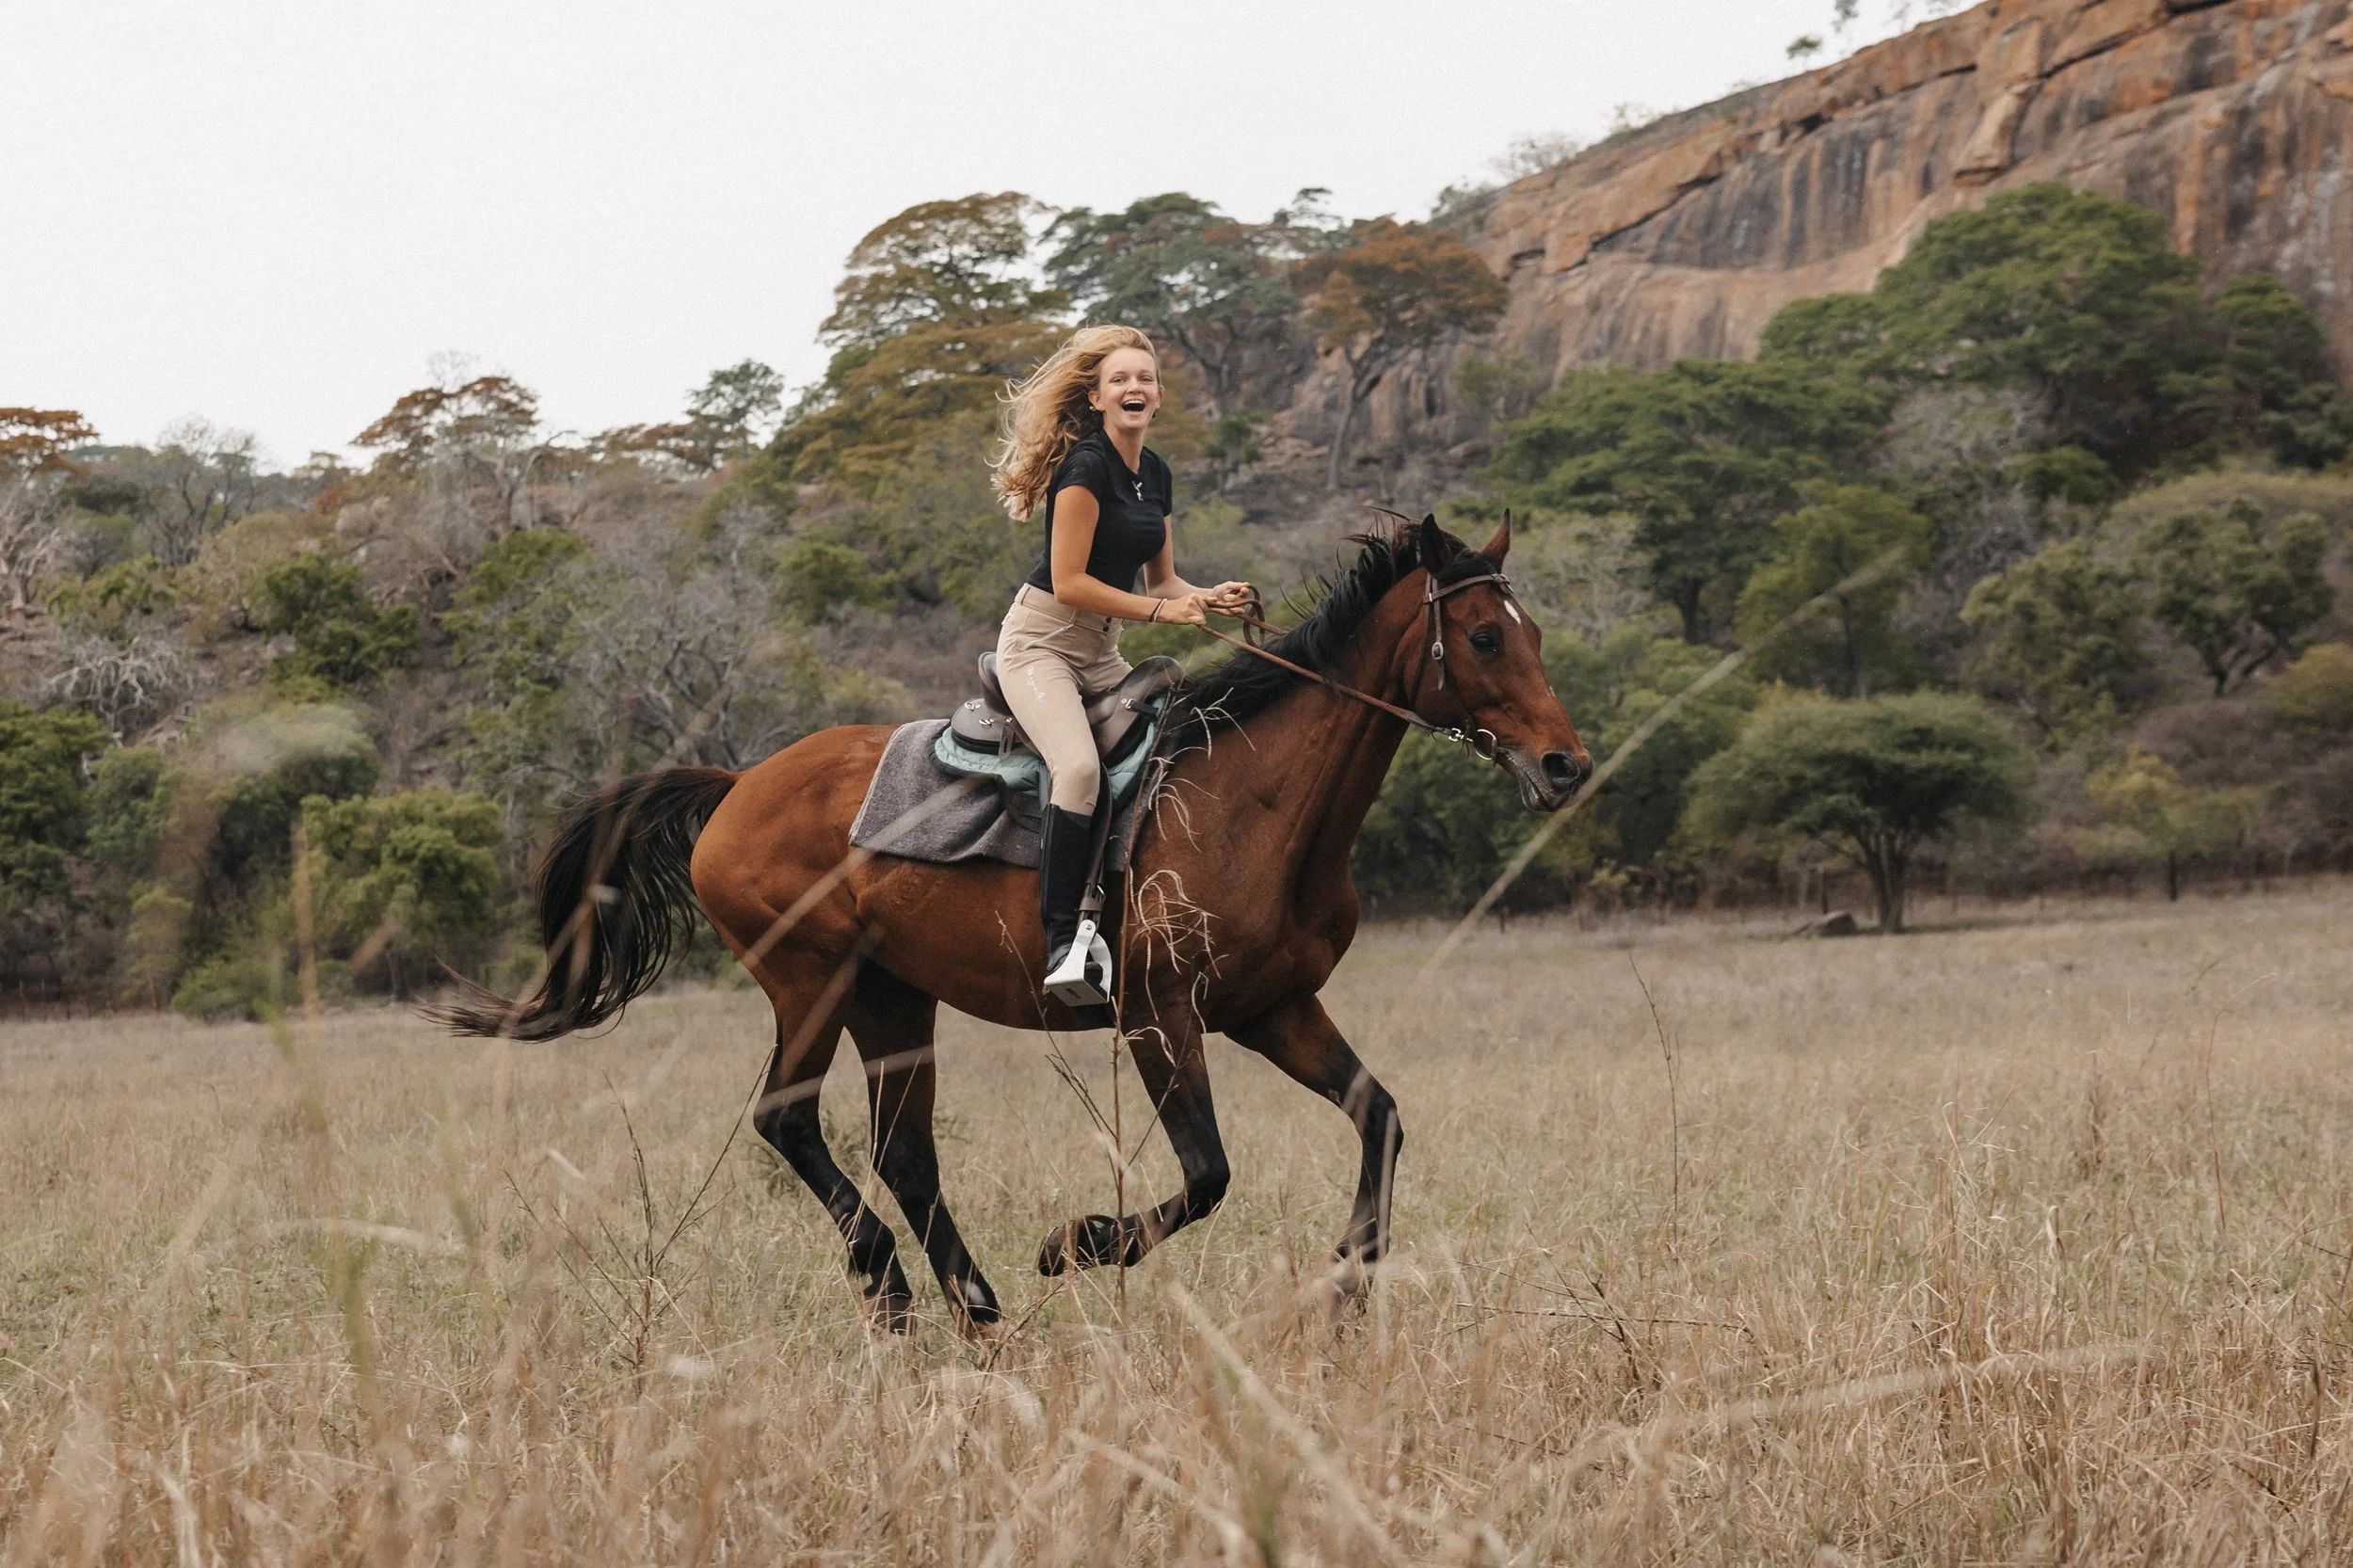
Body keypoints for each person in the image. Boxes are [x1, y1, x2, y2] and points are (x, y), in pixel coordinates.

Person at [989, 325, 1254, 1001]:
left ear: (1158, 396)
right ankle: (1061, 947)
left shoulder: (1156, 472)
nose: (1134, 388)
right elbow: (1071, 582)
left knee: (1187, 744)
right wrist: (1166, 615)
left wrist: (1209, 596)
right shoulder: (1084, 468)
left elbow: (1162, 582)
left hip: (1102, 652)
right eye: (1119, 380)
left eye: (1144, 378)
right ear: (1098, 397)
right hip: (1041, 645)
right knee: (1077, 769)